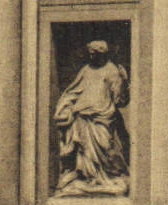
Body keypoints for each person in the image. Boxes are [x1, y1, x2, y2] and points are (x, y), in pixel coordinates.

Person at [53, 40, 131, 196]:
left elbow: (119, 100)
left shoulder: (111, 70)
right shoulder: (86, 70)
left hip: (103, 118)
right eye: (90, 54)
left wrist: (124, 82)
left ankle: (107, 178)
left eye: (94, 54)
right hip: (82, 117)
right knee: (84, 151)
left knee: (105, 148)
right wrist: (65, 106)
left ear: (102, 54)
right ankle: (89, 179)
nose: (91, 56)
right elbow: (73, 91)